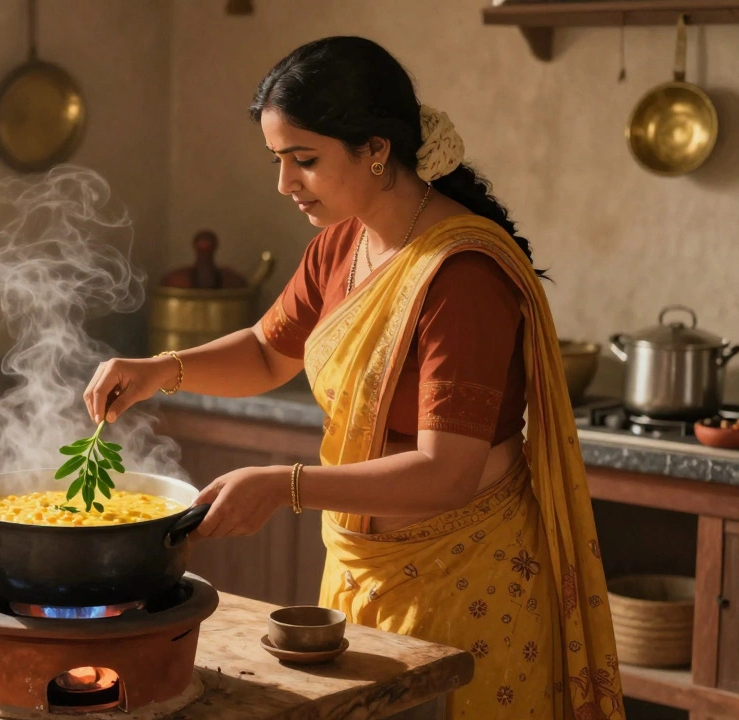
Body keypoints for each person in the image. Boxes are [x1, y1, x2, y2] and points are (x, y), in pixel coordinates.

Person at [84, 37, 623, 719]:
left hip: (465, 576)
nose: (285, 183)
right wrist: (162, 369)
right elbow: (267, 352)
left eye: (304, 160)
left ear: (375, 149)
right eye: (278, 160)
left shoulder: (461, 277)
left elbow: (447, 472)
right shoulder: (344, 242)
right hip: (359, 566)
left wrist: (284, 485)